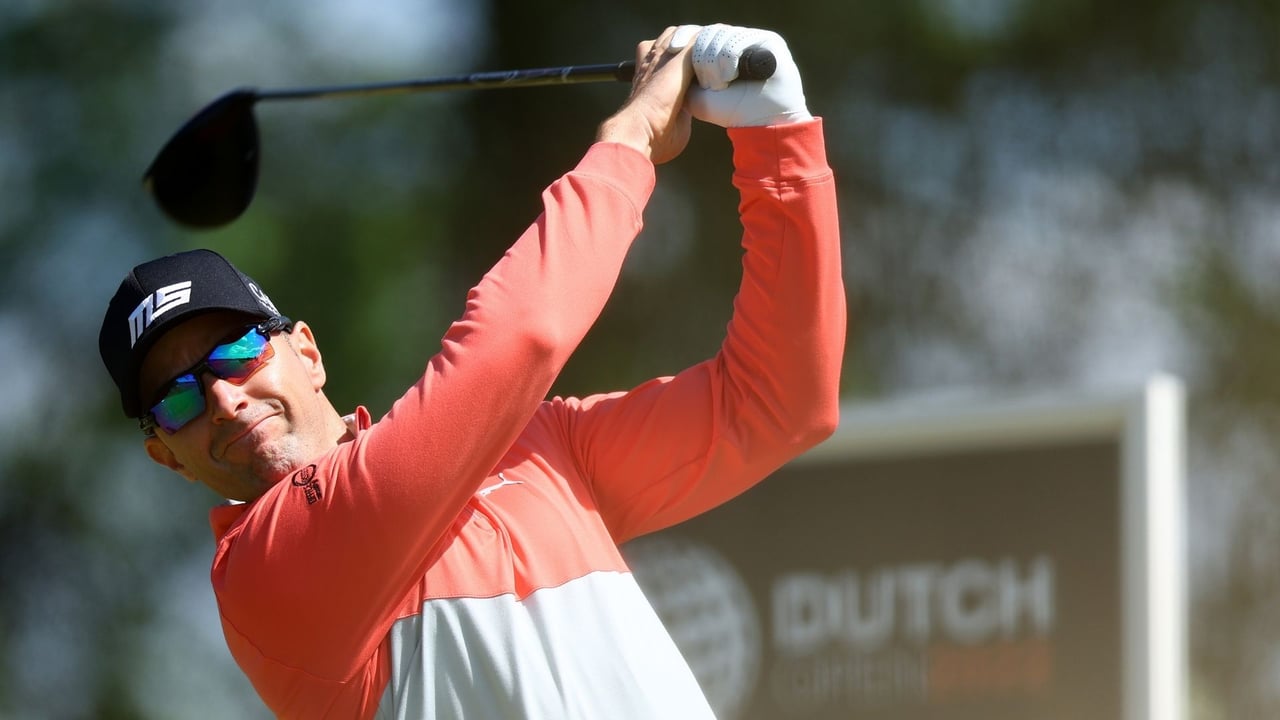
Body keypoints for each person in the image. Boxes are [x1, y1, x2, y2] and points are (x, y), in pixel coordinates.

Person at [98, 22, 844, 720]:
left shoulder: (534, 448)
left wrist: (774, 134)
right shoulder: (262, 577)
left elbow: (779, 401)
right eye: (178, 399)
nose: (224, 398)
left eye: (236, 352)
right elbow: (517, 340)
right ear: (165, 455)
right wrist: (628, 142)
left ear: (308, 352)